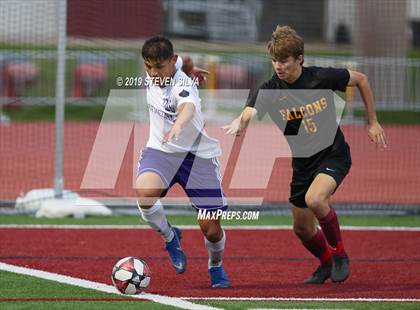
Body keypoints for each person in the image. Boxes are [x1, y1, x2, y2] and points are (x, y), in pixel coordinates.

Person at [222, 25, 387, 284]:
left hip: (334, 155)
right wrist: (240, 121)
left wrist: (373, 121)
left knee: (316, 200)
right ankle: (326, 264)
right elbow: (250, 110)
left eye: (284, 60)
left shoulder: (320, 78)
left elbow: (361, 79)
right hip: (303, 164)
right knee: (302, 228)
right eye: (275, 60)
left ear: (299, 59)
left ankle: (340, 255)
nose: (278, 65)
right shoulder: (270, 89)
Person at [136, 36, 229, 288]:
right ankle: (170, 237)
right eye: (149, 67)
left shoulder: (183, 86)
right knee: (145, 194)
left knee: (210, 228)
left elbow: (187, 108)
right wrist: (189, 65)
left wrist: (178, 124)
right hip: (161, 151)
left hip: (197, 158)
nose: (154, 73)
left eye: (159, 67)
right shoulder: (164, 69)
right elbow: (185, 59)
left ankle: (216, 266)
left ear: (171, 62)